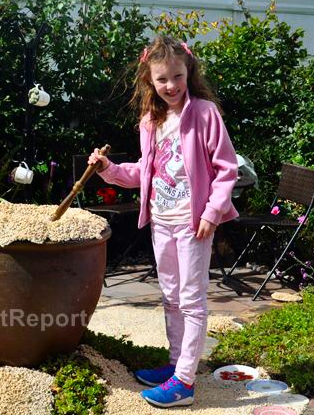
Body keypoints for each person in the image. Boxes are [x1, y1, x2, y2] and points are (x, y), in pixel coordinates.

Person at [88, 35, 238, 408]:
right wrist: (109, 169)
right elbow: (146, 171)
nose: (171, 85)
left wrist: (212, 212)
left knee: (191, 299)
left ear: (189, 72)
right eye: (162, 79)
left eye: (177, 76)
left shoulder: (204, 113)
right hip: (162, 222)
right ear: (150, 81)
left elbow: (226, 168)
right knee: (170, 296)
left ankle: (184, 381)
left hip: (193, 224)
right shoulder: (151, 121)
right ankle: (175, 364)